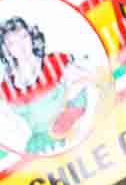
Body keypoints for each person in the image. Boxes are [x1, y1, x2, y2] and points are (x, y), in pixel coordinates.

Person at [0, 16, 96, 157]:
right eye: (13, 43)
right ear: (5, 49)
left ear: (32, 36)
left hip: (74, 137)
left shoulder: (57, 61)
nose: (21, 46)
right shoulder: (5, 89)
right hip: (39, 151)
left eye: (24, 37)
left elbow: (91, 84)